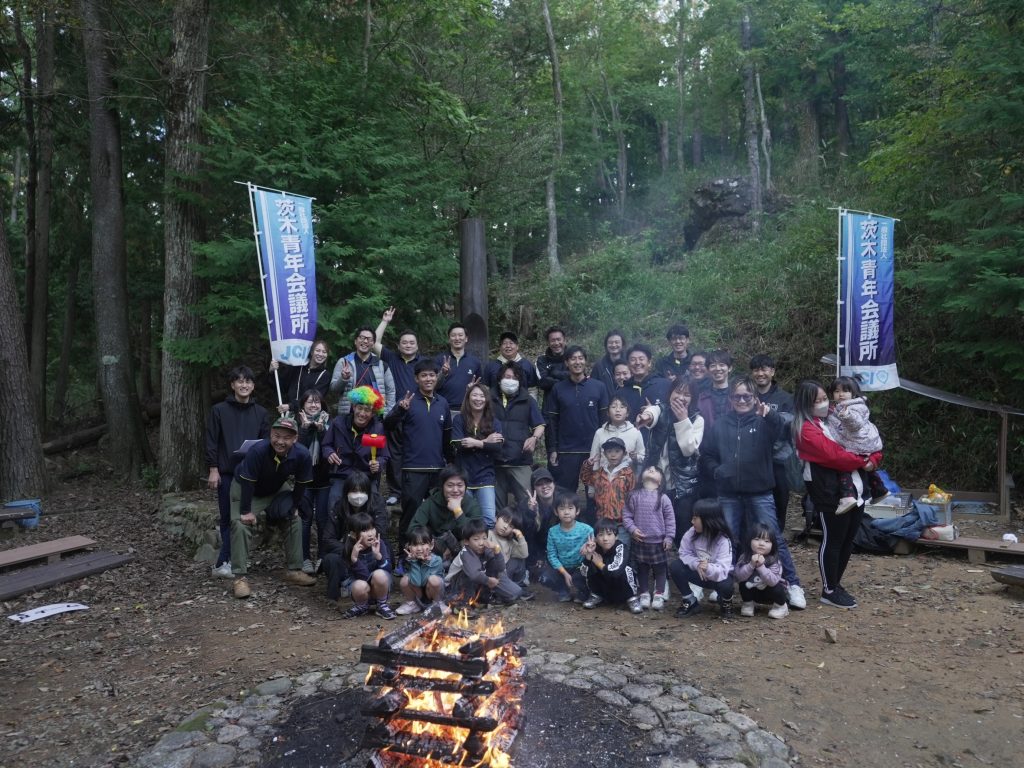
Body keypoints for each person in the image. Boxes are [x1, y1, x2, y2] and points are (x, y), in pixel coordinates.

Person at [700, 376, 805, 607]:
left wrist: (769, 415)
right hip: (729, 493)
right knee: (726, 538)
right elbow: (706, 454)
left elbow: (783, 431)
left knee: (773, 537)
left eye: (746, 396)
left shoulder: (764, 421)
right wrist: (717, 470)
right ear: (730, 398)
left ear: (755, 398)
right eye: (737, 396)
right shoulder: (721, 424)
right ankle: (723, 583)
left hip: (760, 491)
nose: (741, 400)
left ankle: (793, 584)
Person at [793, 379, 881, 609]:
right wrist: (864, 459)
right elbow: (834, 456)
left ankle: (836, 583)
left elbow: (868, 438)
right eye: (818, 401)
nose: (824, 403)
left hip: (856, 488)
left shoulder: (836, 417)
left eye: (825, 398)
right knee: (833, 540)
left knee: (848, 539)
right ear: (805, 404)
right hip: (828, 492)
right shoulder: (805, 429)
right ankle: (829, 589)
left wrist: (873, 458)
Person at [228, 416, 317, 599]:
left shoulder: (302, 455)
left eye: (286, 438)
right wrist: (246, 511)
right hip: (247, 488)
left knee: (294, 518)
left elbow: (301, 484)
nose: (280, 442)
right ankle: (239, 577)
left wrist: (294, 506)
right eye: (276, 436)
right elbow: (248, 482)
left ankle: (295, 569)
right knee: (240, 524)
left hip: (275, 487)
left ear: (295, 439)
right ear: (270, 434)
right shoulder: (258, 451)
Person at [750, 354, 805, 609]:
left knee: (776, 526)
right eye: (756, 370)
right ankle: (758, 576)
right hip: (753, 467)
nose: (760, 374)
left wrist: (768, 414)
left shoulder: (785, 398)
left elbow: (788, 425)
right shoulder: (746, 396)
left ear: (772, 371)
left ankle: (785, 579)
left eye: (764, 369)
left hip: (778, 465)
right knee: (755, 526)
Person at [205, 365, 270, 579]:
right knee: (227, 517)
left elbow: (266, 444)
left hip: (251, 475)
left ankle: (231, 561)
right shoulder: (219, 410)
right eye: (240, 381)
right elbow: (212, 442)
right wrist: (213, 469)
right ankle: (223, 563)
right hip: (226, 473)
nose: (244, 385)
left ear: (253, 386)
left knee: (241, 517)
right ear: (232, 384)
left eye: (248, 381)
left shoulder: (261, 413)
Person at [386, 359, 453, 552]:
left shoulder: (443, 403)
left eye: (432, 375)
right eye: (424, 375)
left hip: (437, 470)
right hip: (412, 469)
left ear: (437, 377)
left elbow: (447, 438)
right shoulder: (407, 401)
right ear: (416, 379)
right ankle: (404, 556)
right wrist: (400, 410)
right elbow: (388, 425)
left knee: (436, 515)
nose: (428, 379)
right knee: (410, 515)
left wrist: (450, 463)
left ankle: (433, 556)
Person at [372, 307, 425, 505]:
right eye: (404, 342)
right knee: (394, 454)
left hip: (417, 413)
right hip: (394, 413)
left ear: (417, 345)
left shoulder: (424, 363)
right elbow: (374, 343)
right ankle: (395, 491)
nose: (408, 345)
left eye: (412, 342)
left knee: (415, 451)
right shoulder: (392, 358)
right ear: (399, 345)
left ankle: (416, 490)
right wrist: (385, 321)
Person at [642, 377, 704, 546]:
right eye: (678, 392)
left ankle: (683, 555)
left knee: (682, 524)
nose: (681, 397)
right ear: (670, 393)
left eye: (687, 394)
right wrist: (646, 416)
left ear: (693, 398)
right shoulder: (661, 409)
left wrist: (683, 419)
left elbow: (688, 449)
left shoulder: (697, 419)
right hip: (656, 479)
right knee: (655, 521)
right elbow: (653, 412)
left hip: (682, 484)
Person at [544, 346, 609, 492]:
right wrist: (553, 449)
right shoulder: (558, 388)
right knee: (564, 493)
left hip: (593, 449)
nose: (577, 362)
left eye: (580, 358)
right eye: (573, 359)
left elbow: (604, 421)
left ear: (585, 361)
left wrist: (604, 447)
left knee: (595, 494)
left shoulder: (599, 387)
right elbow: (552, 421)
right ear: (566, 363)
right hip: (566, 451)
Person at [319, 471, 388, 601]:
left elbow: (381, 532)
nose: (358, 495)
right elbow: (327, 539)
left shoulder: (376, 503)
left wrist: (365, 546)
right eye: (354, 491)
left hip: (372, 550)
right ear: (346, 492)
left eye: (362, 491)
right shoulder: (339, 506)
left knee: (385, 553)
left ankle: (378, 590)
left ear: (368, 492)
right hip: (347, 550)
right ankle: (334, 595)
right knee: (330, 559)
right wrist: (350, 549)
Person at [323, 386, 389, 512]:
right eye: (360, 408)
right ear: (353, 407)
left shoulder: (378, 428)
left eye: (367, 410)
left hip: (367, 476)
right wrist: (329, 453)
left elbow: (384, 455)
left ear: (373, 413)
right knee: (334, 503)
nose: (362, 413)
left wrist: (378, 463)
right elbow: (326, 445)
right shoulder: (338, 423)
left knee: (375, 505)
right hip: (342, 474)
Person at [827, 376, 889, 510]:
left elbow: (855, 424)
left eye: (845, 391)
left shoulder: (854, 407)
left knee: (844, 467)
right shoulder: (839, 408)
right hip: (862, 445)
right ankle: (879, 490)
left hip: (859, 444)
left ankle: (847, 496)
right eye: (837, 391)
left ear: (853, 393)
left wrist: (847, 416)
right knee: (868, 470)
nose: (841, 394)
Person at [491, 362, 545, 508]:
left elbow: (540, 425)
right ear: (499, 379)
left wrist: (534, 438)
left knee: (529, 503)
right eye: (507, 377)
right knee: (496, 507)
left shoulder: (528, 400)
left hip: (520, 460)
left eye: (515, 378)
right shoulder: (488, 398)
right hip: (494, 461)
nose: (511, 380)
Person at [669, 499, 735, 619]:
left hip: (718, 577)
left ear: (708, 520)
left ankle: (725, 601)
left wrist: (708, 567)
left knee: (727, 585)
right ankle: (690, 601)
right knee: (676, 566)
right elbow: (684, 553)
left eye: (695, 518)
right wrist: (696, 564)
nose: (692, 521)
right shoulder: (691, 532)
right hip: (699, 573)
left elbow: (724, 569)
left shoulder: (723, 540)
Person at [622, 466, 675, 611]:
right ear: (641, 477)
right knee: (642, 569)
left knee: (660, 570)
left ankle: (659, 594)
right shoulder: (634, 496)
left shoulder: (663, 498)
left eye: (656, 470)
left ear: (661, 481)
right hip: (640, 541)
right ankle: (644, 593)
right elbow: (626, 516)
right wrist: (632, 529)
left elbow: (670, 520)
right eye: (648, 469)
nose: (651, 469)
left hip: (659, 542)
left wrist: (669, 537)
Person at [451, 382, 504, 527]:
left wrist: (475, 443)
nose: (478, 399)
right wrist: (486, 441)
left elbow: (497, 447)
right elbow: (459, 444)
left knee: (489, 520)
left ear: (486, 400)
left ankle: (485, 542)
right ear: (468, 398)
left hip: (485, 476)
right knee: (463, 519)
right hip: (463, 477)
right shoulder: (459, 419)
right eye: (474, 395)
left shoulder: (494, 422)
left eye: (482, 396)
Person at [406, 465, 483, 563]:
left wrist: (458, 511)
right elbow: (413, 529)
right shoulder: (430, 503)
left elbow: (477, 533)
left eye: (460, 485)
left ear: (465, 487)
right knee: (417, 542)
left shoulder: (471, 504)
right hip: (433, 551)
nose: (455, 490)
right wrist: (435, 546)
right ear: (442, 486)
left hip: (461, 551)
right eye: (450, 486)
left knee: (475, 542)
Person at [295, 389, 332, 574]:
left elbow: (329, 449)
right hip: (304, 480)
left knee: (323, 519)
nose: (313, 405)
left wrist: (321, 429)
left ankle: (323, 557)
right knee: (305, 519)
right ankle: (304, 558)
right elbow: (297, 452)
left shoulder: (329, 424)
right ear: (303, 405)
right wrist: (304, 428)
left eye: (317, 402)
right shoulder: (296, 424)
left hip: (324, 479)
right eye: (309, 402)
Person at [446, 519, 523, 606]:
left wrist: (497, 550)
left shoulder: (486, 549)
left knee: (516, 592)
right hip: (455, 586)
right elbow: (474, 575)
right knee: (472, 575)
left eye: (484, 538)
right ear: (466, 541)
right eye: (476, 539)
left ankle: (484, 596)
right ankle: (463, 603)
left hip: (478, 582)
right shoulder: (465, 553)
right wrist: (488, 580)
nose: (481, 543)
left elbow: (501, 568)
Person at [339, 513, 395, 619]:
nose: (370, 534)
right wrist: (355, 560)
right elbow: (362, 578)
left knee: (380, 574)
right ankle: (362, 606)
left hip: (381, 588)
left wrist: (378, 556)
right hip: (362, 591)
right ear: (353, 534)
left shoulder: (380, 544)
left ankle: (382, 605)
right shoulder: (349, 550)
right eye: (364, 530)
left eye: (372, 528)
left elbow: (388, 570)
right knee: (359, 585)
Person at [541, 491, 594, 603]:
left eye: (570, 508)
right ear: (556, 512)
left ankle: (583, 592)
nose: (566, 512)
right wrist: (564, 573)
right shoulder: (553, 531)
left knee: (584, 575)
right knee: (544, 578)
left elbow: (594, 544)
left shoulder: (586, 529)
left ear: (577, 511)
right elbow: (551, 555)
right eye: (562, 509)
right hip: (562, 567)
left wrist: (588, 545)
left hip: (580, 567)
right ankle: (563, 591)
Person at [580, 518, 641, 613]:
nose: (605, 539)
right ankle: (596, 595)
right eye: (601, 535)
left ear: (616, 536)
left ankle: (632, 599)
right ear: (596, 538)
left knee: (625, 570)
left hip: (622, 590)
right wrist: (588, 556)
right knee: (589, 566)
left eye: (609, 534)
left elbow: (616, 572)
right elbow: (583, 573)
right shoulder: (595, 548)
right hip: (606, 591)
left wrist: (599, 564)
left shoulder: (621, 547)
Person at [331, 327, 396, 416]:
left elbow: (391, 391)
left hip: (374, 416)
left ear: (373, 344)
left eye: (369, 339)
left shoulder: (382, 365)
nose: (365, 341)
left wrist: (388, 414)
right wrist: (343, 379)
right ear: (355, 341)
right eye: (362, 337)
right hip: (349, 416)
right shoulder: (344, 362)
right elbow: (334, 389)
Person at [734, 524, 790, 619]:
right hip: (754, 591)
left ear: (773, 545)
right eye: (757, 539)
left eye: (767, 541)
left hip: (771, 593)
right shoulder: (745, 557)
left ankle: (780, 606)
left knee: (778, 587)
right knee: (743, 584)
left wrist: (761, 567)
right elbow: (739, 576)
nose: (761, 543)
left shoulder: (774, 560)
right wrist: (751, 565)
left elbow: (773, 581)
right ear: (749, 541)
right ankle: (748, 604)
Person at [580, 437, 635, 529]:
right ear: (604, 454)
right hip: (602, 520)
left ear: (624, 453)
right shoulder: (600, 473)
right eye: (609, 451)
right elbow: (586, 479)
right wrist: (588, 465)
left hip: (621, 522)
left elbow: (632, 495)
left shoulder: (628, 473)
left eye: (617, 451)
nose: (613, 455)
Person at [269, 339, 331, 415]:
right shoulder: (298, 367)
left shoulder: (325, 375)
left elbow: (315, 398)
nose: (321, 354)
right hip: (288, 414)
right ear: (311, 352)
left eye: (324, 352)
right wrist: (272, 372)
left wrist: (291, 406)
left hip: (309, 416)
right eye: (318, 350)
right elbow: (281, 386)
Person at [395, 526, 446, 615]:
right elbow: (417, 583)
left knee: (434, 580)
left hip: (432, 593)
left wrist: (425, 562)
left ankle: (438, 604)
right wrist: (414, 562)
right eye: (415, 545)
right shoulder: (409, 560)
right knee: (404, 580)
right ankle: (412, 604)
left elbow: (425, 581)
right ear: (409, 547)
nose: (419, 548)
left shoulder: (437, 560)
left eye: (423, 544)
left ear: (431, 545)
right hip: (418, 593)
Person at [519, 468, 558, 581]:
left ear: (554, 483)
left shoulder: (563, 498)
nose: (544, 486)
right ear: (534, 488)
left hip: (558, 541)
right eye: (539, 484)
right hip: (537, 544)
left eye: (548, 482)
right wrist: (531, 512)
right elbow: (526, 533)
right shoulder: (525, 504)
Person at [614, 344, 670, 422]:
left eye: (641, 359)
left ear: (649, 362)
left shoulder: (665, 385)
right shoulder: (620, 394)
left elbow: (672, 413)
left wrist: (654, 411)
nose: (637, 362)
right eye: (633, 359)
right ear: (628, 365)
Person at [435, 322, 483, 412]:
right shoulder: (439, 359)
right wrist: (442, 373)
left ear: (466, 338)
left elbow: (480, 387)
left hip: (467, 409)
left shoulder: (475, 362)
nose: (457, 338)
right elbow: (432, 386)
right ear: (449, 339)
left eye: (460, 335)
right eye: (453, 335)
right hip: (442, 408)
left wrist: (473, 388)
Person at [589, 395, 645, 470]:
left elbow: (642, 457)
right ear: (608, 413)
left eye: (622, 407)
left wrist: (635, 457)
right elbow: (594, 459)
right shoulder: (600, 432)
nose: (618, 410)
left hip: (627, 475)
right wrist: (595, 475)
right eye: (613, 407)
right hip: (603, 475)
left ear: (627, 413)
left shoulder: (635, 432)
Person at [488, 507, 530, 589]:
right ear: (496, 518)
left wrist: (520, 536)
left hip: (505, 575)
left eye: (511, 526)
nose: (505, 526)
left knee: (519, 560)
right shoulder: (488, 534)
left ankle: (518, 585)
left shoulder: (510, 542)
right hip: (491, 573)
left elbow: (524, 554)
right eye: (505, 521)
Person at [697, 349, 734, 429]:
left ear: (730, 368)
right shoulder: (701, 398)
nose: (717, 368)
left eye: (722, 365)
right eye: (713, 365)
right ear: (708, 370)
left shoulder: (738, 396)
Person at [535, 326, 569, 406]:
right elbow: (543, 382)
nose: (556, 343)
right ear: (548, 343)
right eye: (553, 340)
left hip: (571, 403)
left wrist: (553, 374)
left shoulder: (573, 357)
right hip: (550, 405)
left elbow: (578, 377)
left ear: (564, 340)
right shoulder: (542, 360)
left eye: (559, 339)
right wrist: (567, 380)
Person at [593, 329, 627, 397]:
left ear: (622, 344)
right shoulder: (599, 366)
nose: (613, 345)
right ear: (606, 345)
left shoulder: (629, 363)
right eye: (610, 342)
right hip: (605, 402)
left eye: (617, 342)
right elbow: (593, 387)